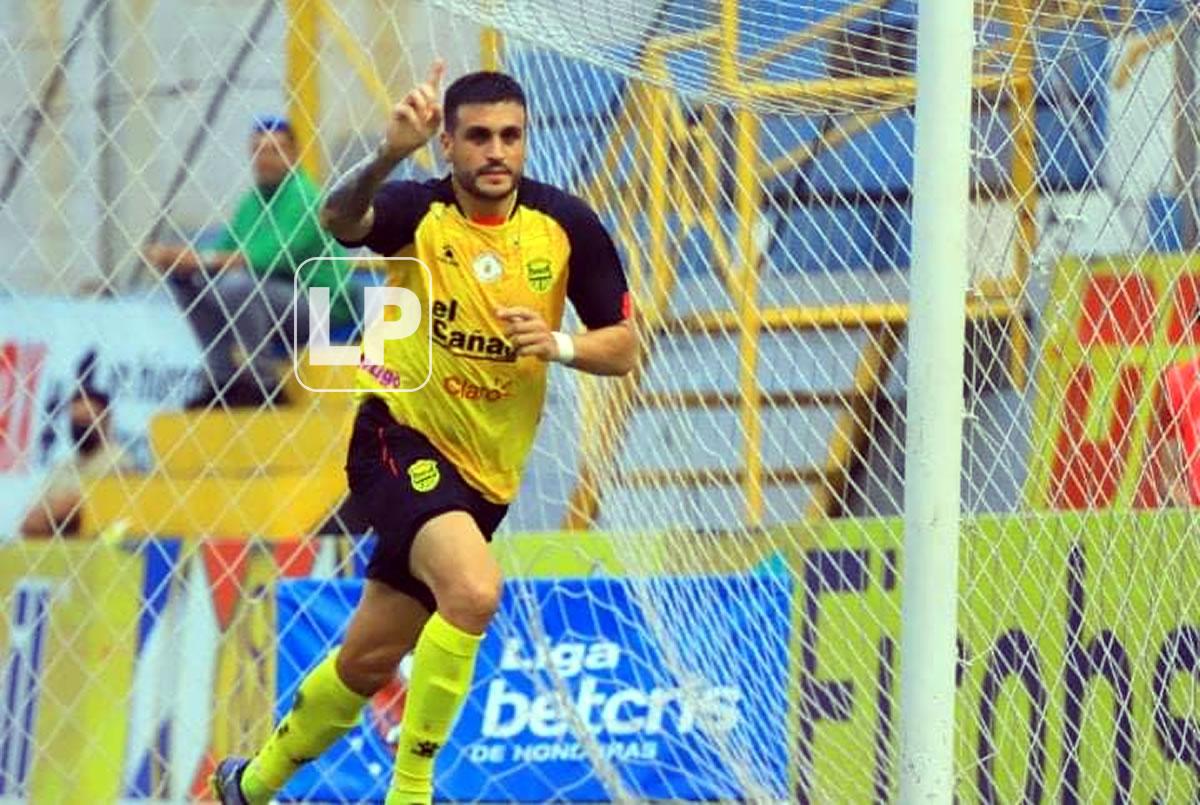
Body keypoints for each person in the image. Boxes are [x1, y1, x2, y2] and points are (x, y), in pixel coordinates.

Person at [210, 62, 636, 805]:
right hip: (397, 434)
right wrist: (385, 155)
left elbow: (625, 346)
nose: (495, 151)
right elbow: (340, 225)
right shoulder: (418, 208)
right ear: (447, 142)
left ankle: (249, 784)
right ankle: (412, 790)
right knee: (472, 590)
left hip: (488, 473)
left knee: (368, 657)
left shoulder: (566, 226)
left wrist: (559, 344)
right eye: (477, 137)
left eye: (510, 136)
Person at [146, 116, 353, 407]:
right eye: (258, 150)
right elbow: (222, 252)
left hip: (318, 305)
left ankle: (263, 382)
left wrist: (196, 258)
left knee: (237, 285)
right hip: (271, 301)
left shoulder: (307, 198)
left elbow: (267, 258)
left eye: (274, 150)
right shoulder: (252, 202)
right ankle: (221, 378)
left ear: (293, 154)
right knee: (187, 280)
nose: (264, 158)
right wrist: (182, 263)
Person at [20, 386, 130, 537]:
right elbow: (29, 521)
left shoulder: (119, 462)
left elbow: (77, 509)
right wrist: (55, 513)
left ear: (106, 420)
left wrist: (53, 513)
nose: (80, 427)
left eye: (87, 420)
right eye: (75, 421)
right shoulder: (63, 465)